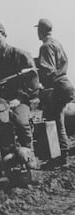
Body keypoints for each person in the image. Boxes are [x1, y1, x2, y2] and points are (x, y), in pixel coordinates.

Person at [0, 21, 39, 168]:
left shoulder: (20, 55)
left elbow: (33, 80)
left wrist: (20, 98)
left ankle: (30, 155)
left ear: (5, 36)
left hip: (19, 99)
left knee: (20, 121)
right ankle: (0, 155)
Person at [36, 18, 74, 168]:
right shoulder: (57, 43)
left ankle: (59, 157)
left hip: (57, 86)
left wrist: (39, 79)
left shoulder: (45, 46)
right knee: (56, 120)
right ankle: (60, 156)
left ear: (40, 31)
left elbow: (49, 70)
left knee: (54, 122)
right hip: (66, 84)